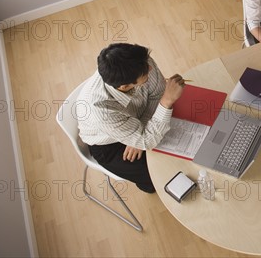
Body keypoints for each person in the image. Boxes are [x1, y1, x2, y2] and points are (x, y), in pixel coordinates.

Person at [78, 43, 184, 193]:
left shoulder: (140, 63)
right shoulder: (101, 110)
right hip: (109, 143)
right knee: (157, 175)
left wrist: (137, 137)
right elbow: (146, 141)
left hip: (137, 117)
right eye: (146, 75)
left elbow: (156, 94)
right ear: (124, 86)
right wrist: (166, 102)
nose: (151, 69)